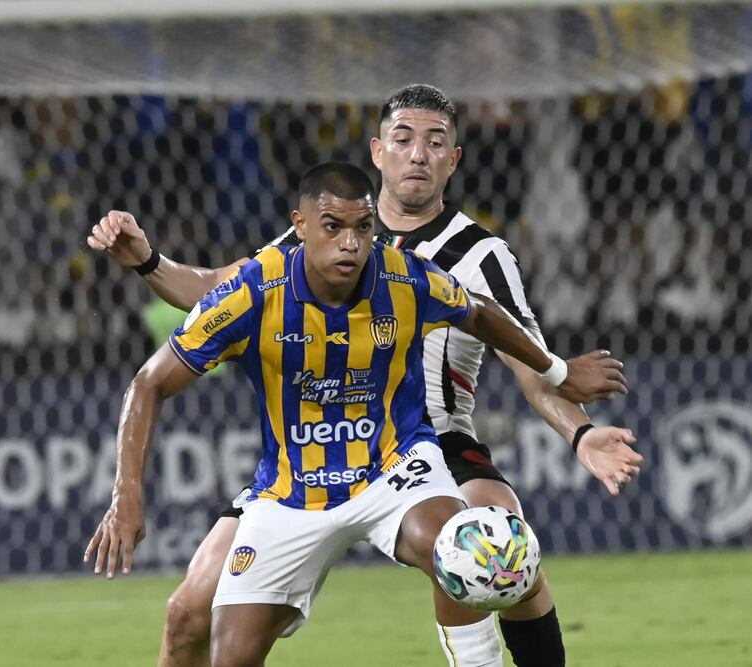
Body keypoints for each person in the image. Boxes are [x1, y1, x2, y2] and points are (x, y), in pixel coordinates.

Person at [86, 87, 641, 667]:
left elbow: (527, 361)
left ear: (454, 159)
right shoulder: (306, 243)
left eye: (435, 143)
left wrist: (580, 432)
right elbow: (218, 295)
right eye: (404, 140)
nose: (418, 155)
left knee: (494, 547)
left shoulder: (479, 255)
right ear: (378, 152)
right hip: (305, 454)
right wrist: (150, 262)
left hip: (430, 440)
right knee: (187, 613)